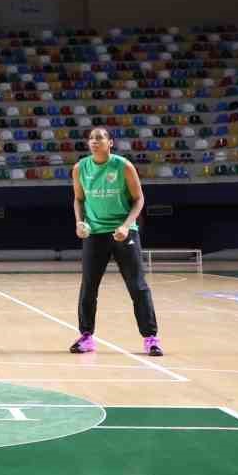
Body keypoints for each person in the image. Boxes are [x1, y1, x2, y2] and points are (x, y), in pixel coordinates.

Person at [70, 127, 161, 356]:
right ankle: (86, 337)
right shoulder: (80, 168)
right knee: (89, 287)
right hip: (95, 233)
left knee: (138, 287)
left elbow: (139, 199)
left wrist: (126, 225)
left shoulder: (123, 166)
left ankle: (151, 338)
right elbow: (78, 199)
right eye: (91, 138)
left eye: (99, 138)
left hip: (123, 232)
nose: (94, 141)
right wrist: (79, 222)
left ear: (110, 142)